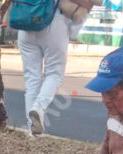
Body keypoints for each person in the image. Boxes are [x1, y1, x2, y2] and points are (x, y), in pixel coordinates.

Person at [16, 0, 98, 136]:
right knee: (54, 74)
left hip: (24, 22)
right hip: (53, 21)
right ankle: (38, 108)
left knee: (32, 79)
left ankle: (33, 131)